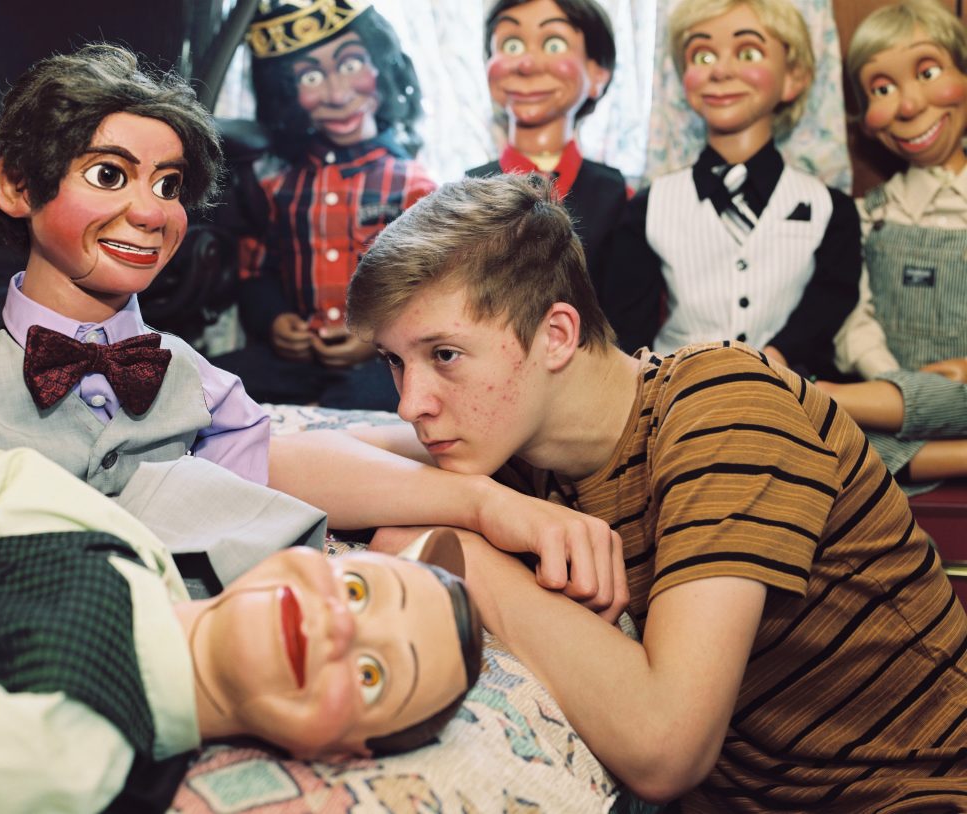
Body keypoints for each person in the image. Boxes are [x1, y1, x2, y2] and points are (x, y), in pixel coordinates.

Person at [267, 173, 967, 810]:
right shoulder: (507, 445)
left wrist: (466, 556)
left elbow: (666, 750)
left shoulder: (725, 403)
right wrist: (482, 505)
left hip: (915, 793)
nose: (410, 402)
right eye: (395, 361)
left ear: (556, 335)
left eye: (444, 355)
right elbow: (270, 462)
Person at [0, 447, 482, 814]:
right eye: (357, 590)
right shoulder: (128, 543)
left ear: (341, 752)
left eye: (370, 675)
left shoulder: (79, 761)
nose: (339, 625)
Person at [0, 44, 270, 494]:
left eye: (168, 186)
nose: (152, 214)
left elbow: (240, 499)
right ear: (18, 186)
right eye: (108, 175)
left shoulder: (203, 385)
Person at [211, 0, 435, 410]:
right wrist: (275, 320)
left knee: (367, 399)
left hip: (384, 361)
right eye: (311, 77)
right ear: (285, 92)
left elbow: (431, 291)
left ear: (381, 67)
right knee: (210, 384)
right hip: (295, 366)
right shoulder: (276, 186)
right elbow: (257, 273)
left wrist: (377, 337)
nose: (336, 94)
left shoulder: (414, 188)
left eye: (351, 65)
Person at [622, 0, 861, 377]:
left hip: (790, 393)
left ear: (793, 77)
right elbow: (626, 323)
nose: (720, 70)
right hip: (675, 393)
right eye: (702, 56)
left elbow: (831, 299)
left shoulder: (831, 209)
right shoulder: (648, 207)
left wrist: (777, 358)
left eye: (748, 52)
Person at [819, 0, 967, 492]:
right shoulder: (868, 216)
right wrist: (890, 384)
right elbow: (854, 319)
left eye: (927, 72)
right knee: (825, 442)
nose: (909, 106)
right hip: (885, 405)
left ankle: (821, 397)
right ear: (864, 119)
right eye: (882, 89)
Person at [466, 0, 647, 352]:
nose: (527, 63)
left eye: (553, 44)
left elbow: (628, 325)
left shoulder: (617, 197)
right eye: (511, 45)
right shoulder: (465, 195)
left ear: (597, 74)